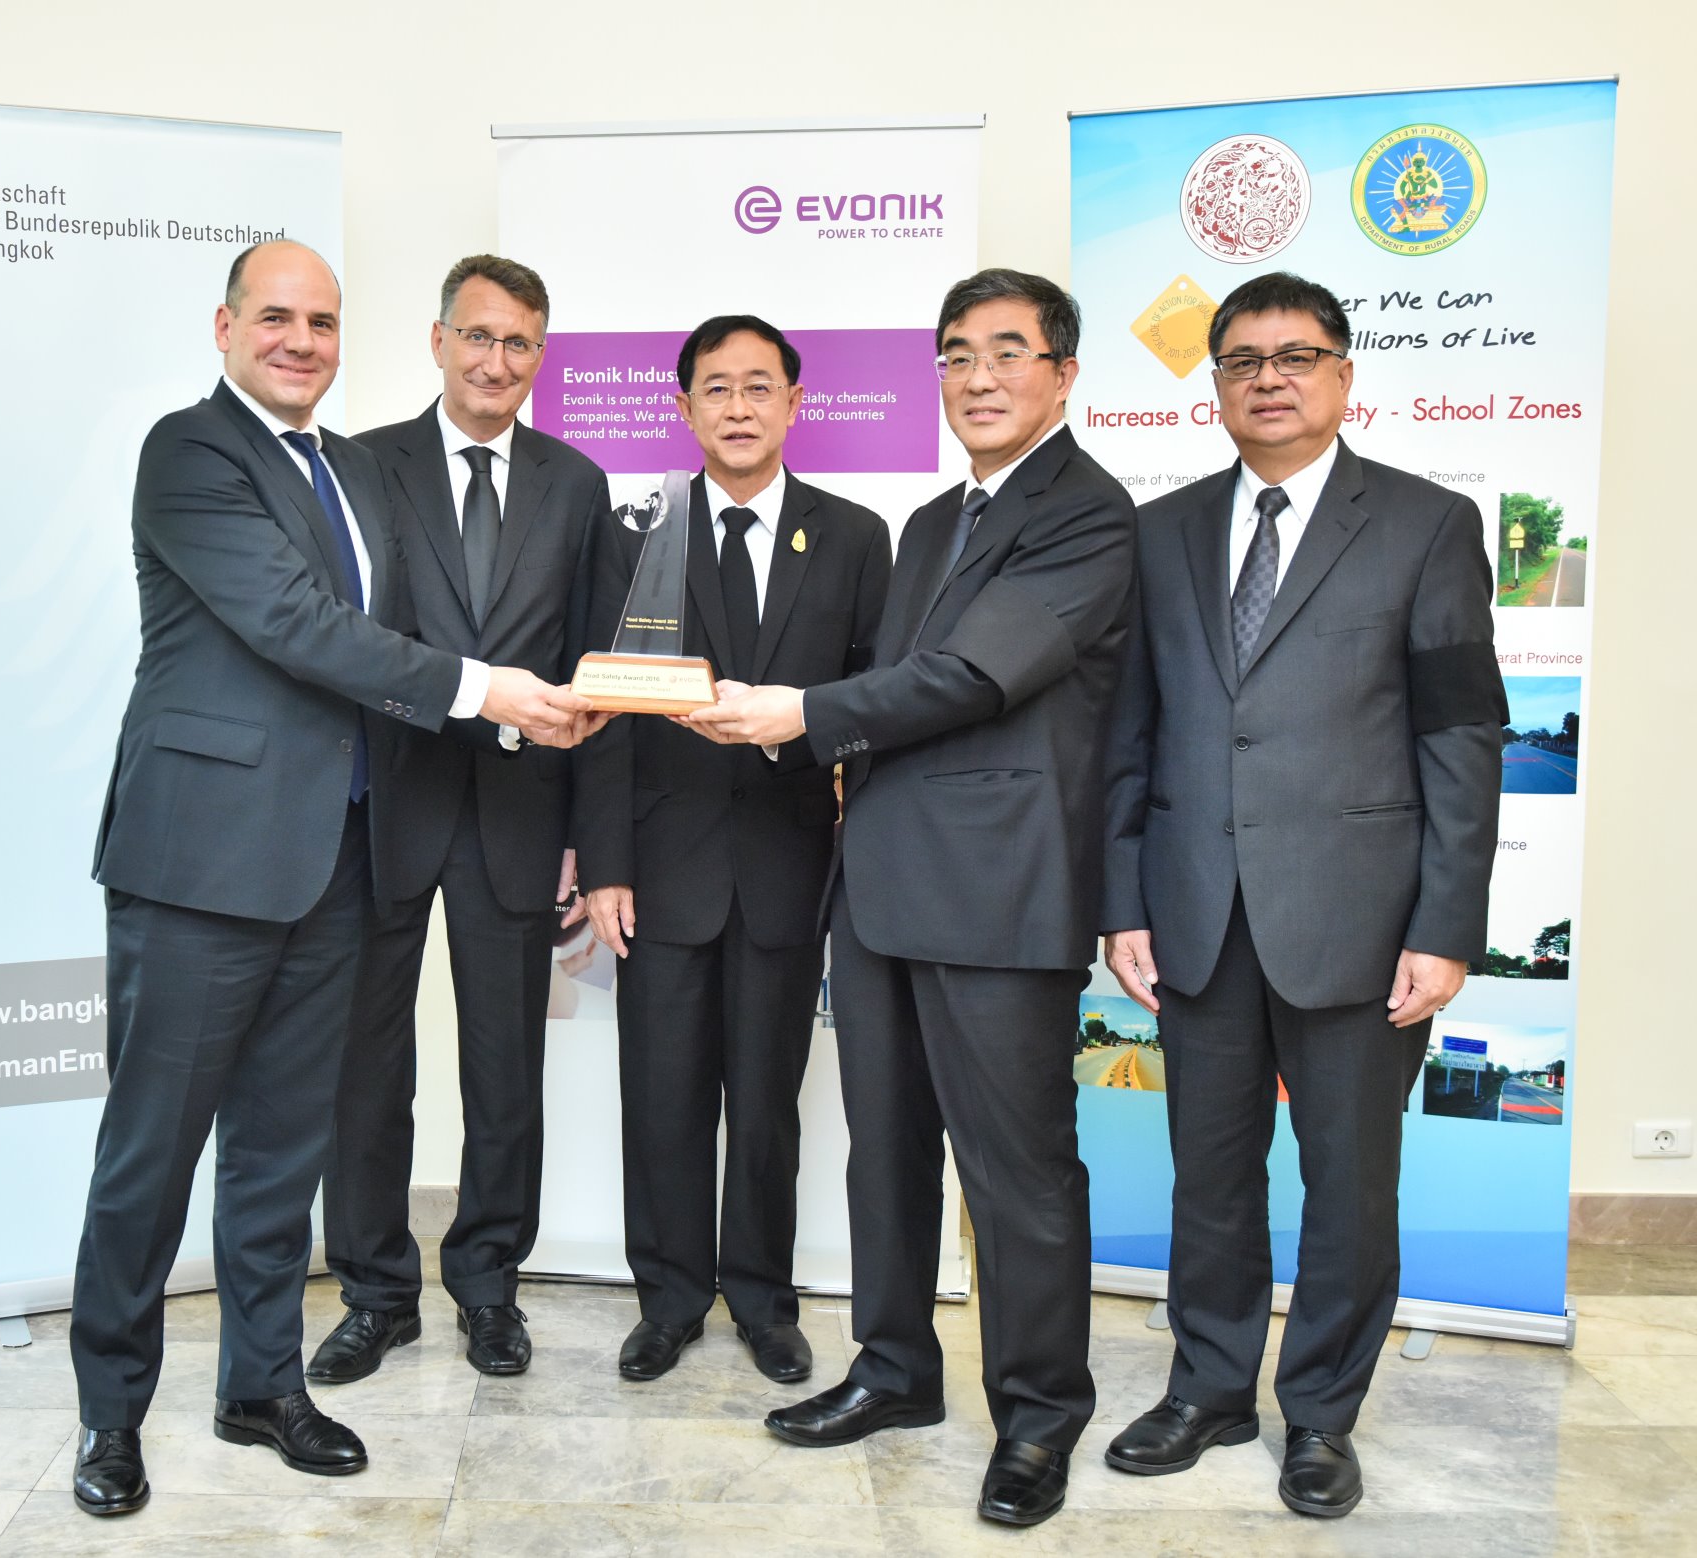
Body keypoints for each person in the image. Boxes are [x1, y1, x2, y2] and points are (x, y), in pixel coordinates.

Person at [68, 241, 599, 1518]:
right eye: (276, 318)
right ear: (226, 328)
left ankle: (261, 1386)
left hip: (337, 857)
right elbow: (300, 626)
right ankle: (110, 1413)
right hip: (203, 862)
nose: (300, 341)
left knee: (279, 1148)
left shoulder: (356, 471)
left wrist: (548, 700)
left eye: (321, 322)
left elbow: (412, 635)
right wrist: (491, 692)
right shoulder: (189, 454)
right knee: (153, 1151)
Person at [690, 270, 1135, 1528]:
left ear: (1063, 374)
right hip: (879, 887)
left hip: (998, 895)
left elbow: (973, 678)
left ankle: (1038, 1416)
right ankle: (895, 1370)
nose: (977, 378)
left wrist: (796, 713)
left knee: (1018, 1175)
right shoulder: (935, 520)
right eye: (955, 355)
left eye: (1007, 352)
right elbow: (893, 691)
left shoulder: (1089, 515)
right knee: (883, 1154)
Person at [1099, 271, 1504, 1519]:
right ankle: (1210, 1388)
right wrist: (1124, 900)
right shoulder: (1161, 533)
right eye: (1242, 360)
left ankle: (1322, 1413)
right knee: (1208, 1177)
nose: (1269, 378)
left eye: (1297, 356)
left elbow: (1461, 737)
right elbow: (1129, 734)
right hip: (1197, 917)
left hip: (1360, 925)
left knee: (1351, 1186)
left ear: (1343, 376)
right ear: (1214, 385)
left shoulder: (1428, 524)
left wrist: (1445, 925)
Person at [308, 256, 613, 1388]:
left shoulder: (578, 485)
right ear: (437, 341)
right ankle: (376, 1292)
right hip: (382, 804)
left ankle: (488, 1283)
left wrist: (590, 834)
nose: (496, 360)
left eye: (519, 342)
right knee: (366, 1069)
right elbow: (338, 634)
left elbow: (591, 668)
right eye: (477, 336)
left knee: (504, 1069)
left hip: (521, 815)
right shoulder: (360, 466)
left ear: (541, 357)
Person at [571, 316, 891, 1385]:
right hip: (662, 868)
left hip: (788, 869)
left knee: (765, 1106)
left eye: (761, 386)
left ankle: (762, 1300)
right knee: (661, 1098)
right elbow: (606, 710)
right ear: (685, 408)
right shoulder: (637, 535)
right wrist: (605, 862)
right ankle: (667, 1299)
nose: (740, 406)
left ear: (796, 403)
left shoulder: (854, 537)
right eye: (717, 388)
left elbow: (873, 704)